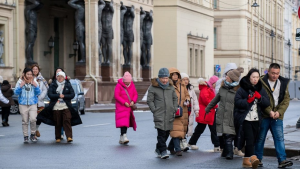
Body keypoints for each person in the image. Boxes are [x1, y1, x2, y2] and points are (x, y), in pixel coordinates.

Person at [255, 63, 293, 168]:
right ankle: (257, 159)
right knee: (260, 137)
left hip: (277, 116)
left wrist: (279, 112)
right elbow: (260, 99)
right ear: (268, 71)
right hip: (264, 115)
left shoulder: (283, 83)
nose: (274, 76)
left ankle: (282, 160)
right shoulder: (261, 82)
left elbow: (286, 100)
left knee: (279, 138)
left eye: (277, 73)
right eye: (272, 73)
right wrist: (269, 111)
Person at [234, 68, 270, 168]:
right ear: (249, 77)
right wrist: (248, 101)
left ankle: (246, 161)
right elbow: (237, 102)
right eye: (253, 77)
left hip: (256, 119)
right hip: (245, 119)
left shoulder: (260, 89)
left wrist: (260, 98)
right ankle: (254, 158)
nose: (255, 79)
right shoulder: (242, 89)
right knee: (249, 139)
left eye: (257, 77)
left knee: (253, 140)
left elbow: (267, 103)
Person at [205, 68, 243, 160]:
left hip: (232, 116)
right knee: (224, 134)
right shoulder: (222, 88)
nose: (226, 77)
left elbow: (242, 103)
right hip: (222, 115)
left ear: (232, 78)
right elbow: (215, 100)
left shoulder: (239, 90)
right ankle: (226, 152)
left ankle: (229, 153)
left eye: (228, 76)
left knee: (229, 135)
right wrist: (208, 108)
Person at [37, 71, 82, 143]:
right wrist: (58, 96)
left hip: (65, 106)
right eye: (58, 76)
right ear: (56, 77)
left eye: (61, 77)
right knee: (57, 122)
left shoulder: (67, 84)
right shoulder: (53, 84)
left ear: (64, 77)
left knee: (67, 120)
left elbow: (72, 94)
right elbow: (50, 94)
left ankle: (69, 137)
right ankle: (58, 137)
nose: (60, 78)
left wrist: (64, 96)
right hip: (56, 106)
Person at [147, 68, 178, 159]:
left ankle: (158, 148)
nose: (165, 80)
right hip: (159, 114)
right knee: (161, 133)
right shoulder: (153, 87)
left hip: (169, 113)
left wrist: (174, 108)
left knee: (167, 132)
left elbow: (175, 99)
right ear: (159, 78)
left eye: (166, 78)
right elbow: (150, 100)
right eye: (163, 78)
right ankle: (163, 151)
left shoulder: (171, 87)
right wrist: (154, 110)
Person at [188, 76, 221, 151]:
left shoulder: (209, 89)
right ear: (212, 83)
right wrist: (215, 105)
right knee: (203, 129)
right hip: (205, 113)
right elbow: (206, 100)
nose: (216, 85)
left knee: (208, 129)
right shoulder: (205, 89)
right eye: (216, 83)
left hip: (208, 113)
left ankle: (216, 145)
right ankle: (216, 146)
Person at [167, 68, 190, 156]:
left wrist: (187, 100)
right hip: (173, 110)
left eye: (176, 75)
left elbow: (187, 95)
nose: (175, 76)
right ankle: (178, 149)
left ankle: (170, 146)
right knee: (176, 129)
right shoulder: (168, 86)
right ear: (170, 76)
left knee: (181, 130)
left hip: (183, 110)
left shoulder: (182, 85)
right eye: (173, 75)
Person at [14, 68, 41, 143]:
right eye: (28, 74)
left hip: (33, 103)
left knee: (33, 119)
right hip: (23, 104)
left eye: (31, 74)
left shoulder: (34, 81)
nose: (29, 76)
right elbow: (16, 92)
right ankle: (25, 136)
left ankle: (33, 134)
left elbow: (39, 93)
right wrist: (20, 86)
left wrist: (36, 86)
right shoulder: (20, 82)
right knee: (25, 121)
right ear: (24, 74)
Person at [114, 72, 138, 144]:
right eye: (126, 82)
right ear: (123, 81)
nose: (127, 84)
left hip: (129, 108)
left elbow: (135, 94)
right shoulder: (119, 85)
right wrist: (124, 102)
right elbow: (116, 95)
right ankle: (124, 136)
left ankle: (122, 137)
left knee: (126, 122)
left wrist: (133, 101)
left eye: (128, 82)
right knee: (123, 122)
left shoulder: (132, 85)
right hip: (121, 107)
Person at [180, 73, 199, 151]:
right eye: (184, 79)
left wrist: (196, 110)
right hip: (181, 111)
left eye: (187, 79)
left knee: (187, 126)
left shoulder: (191, 89)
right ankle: (182, 142)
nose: (185, 81)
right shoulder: (179, 88)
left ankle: (183, 142)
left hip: (189, 111)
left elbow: (195, 101)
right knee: (182, 127)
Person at [32, 64, 49, 137]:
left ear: (38, 70)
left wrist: (41, 97)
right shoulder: (29, 78)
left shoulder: (42, 79)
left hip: (40, 101)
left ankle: (36, 129)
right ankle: (33, 133)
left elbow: (45, 89)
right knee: (32, 118)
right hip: (31, 101)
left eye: (36, 69)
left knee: (39, 117)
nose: (35, 70)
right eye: (33, 69)